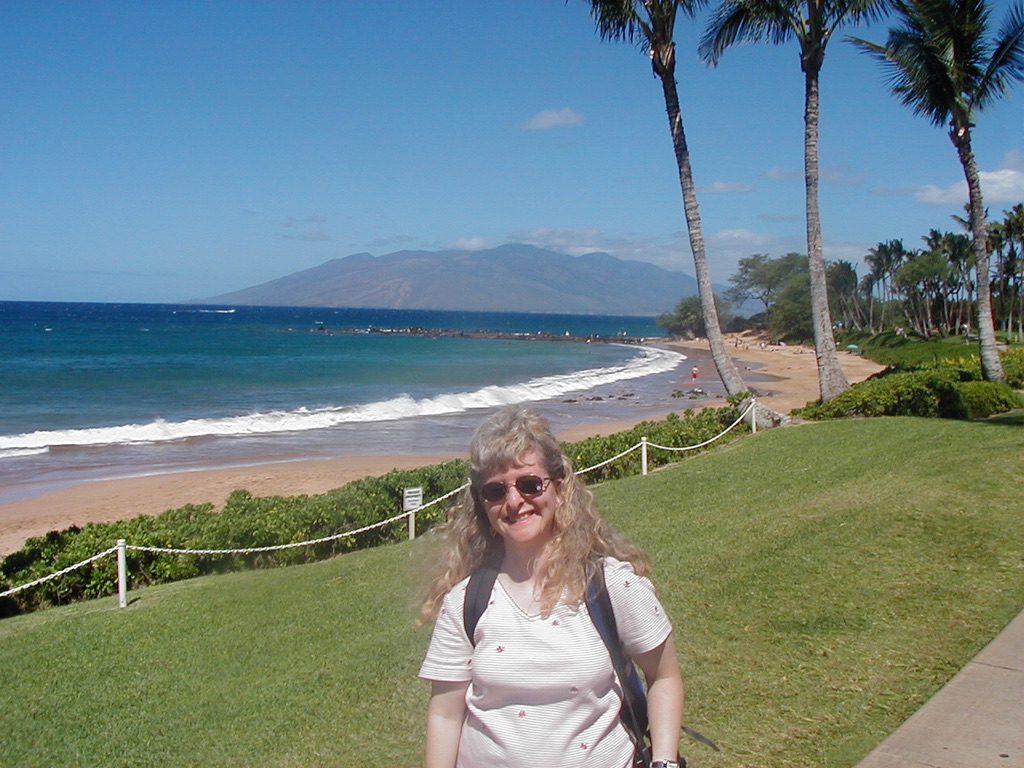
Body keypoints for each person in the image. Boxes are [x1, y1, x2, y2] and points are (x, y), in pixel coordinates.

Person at [418, 405, 685, 768]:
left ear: (558, 488)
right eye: (495, 491)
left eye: (529, 484)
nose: (514, 501)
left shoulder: (611, 584)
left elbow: (663, 676)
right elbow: (445, 715)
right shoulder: (466, 602)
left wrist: (665, 762)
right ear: (482, 504)